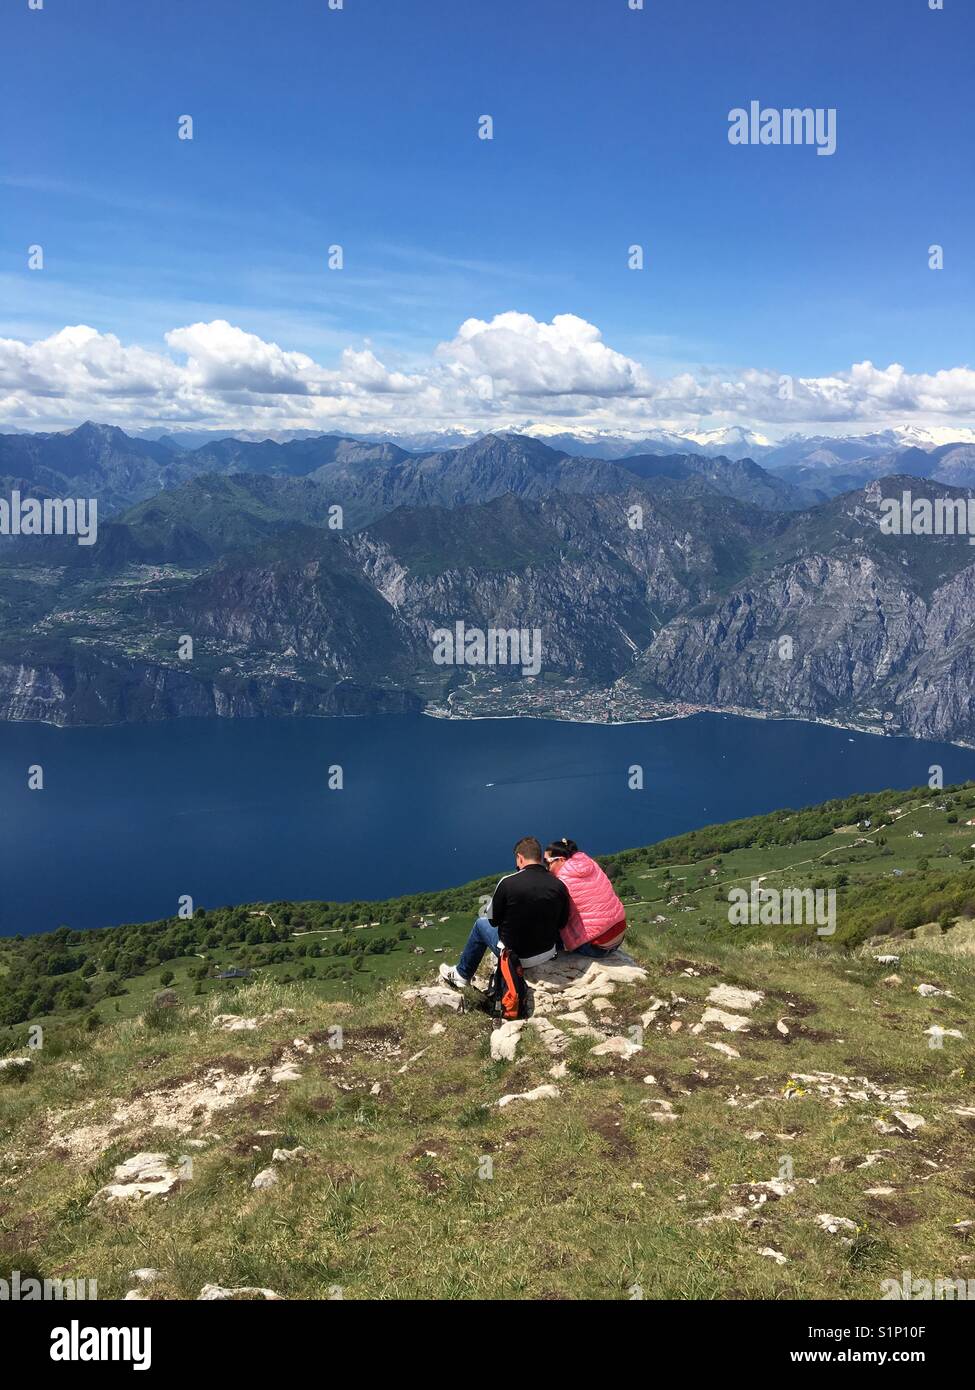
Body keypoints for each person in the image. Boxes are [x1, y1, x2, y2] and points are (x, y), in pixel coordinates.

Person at [439, 836, 570, 988]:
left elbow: (492, 920)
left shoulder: (508, 882)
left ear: (520, 858)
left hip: (517, 957)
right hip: (547, 953)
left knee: (480, 924)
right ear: (539, 857)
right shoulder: (559, 884)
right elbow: (562, 922)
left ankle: (462, 974)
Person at [544, 837, 627, 957]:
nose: (546, 867)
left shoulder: (561, 882)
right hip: (619, 934)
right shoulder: (591, 864)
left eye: (547, 862)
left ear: (561, 860)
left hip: (597, 947)